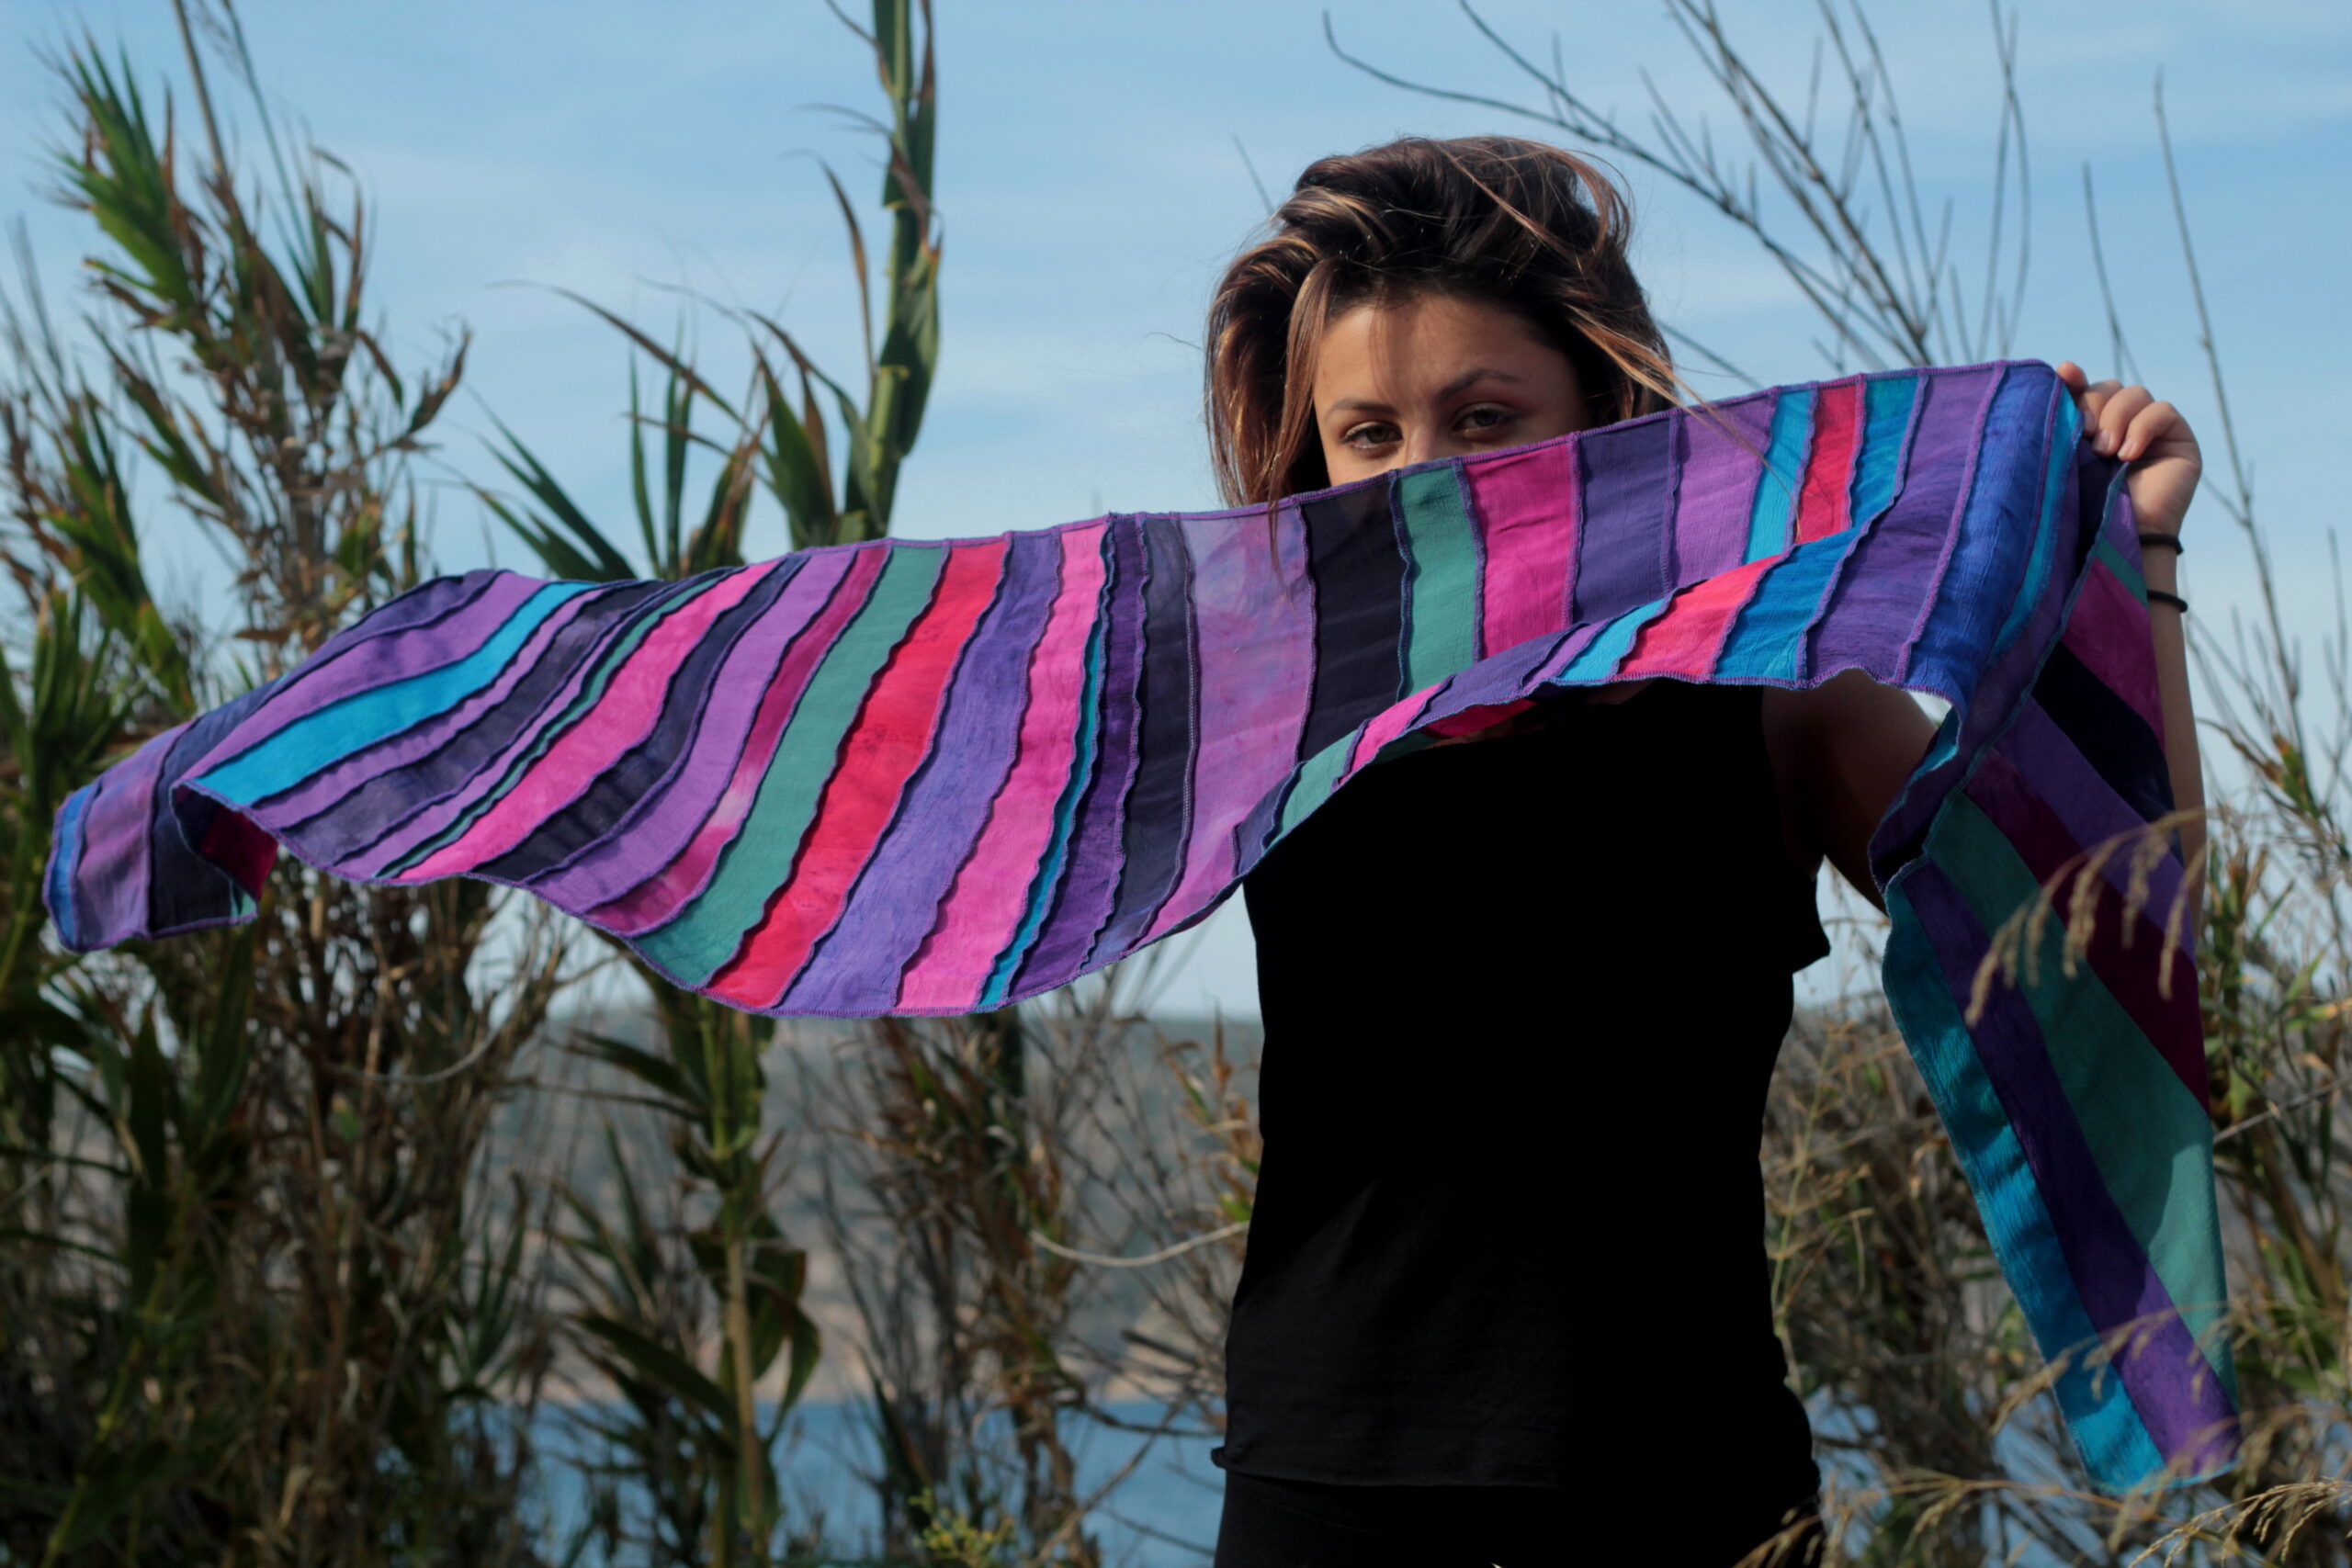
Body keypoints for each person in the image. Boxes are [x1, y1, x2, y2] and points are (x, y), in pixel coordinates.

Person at [1194, 134, 2204, 1568]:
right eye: (1369, 434)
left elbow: (2108, 938)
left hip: (1689, 1490)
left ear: (1605, 420)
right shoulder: (1264, 714)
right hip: (1326, 1500)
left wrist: (2136, 557)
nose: (1427, 477)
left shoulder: (1772, 704)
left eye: (1483, 419)